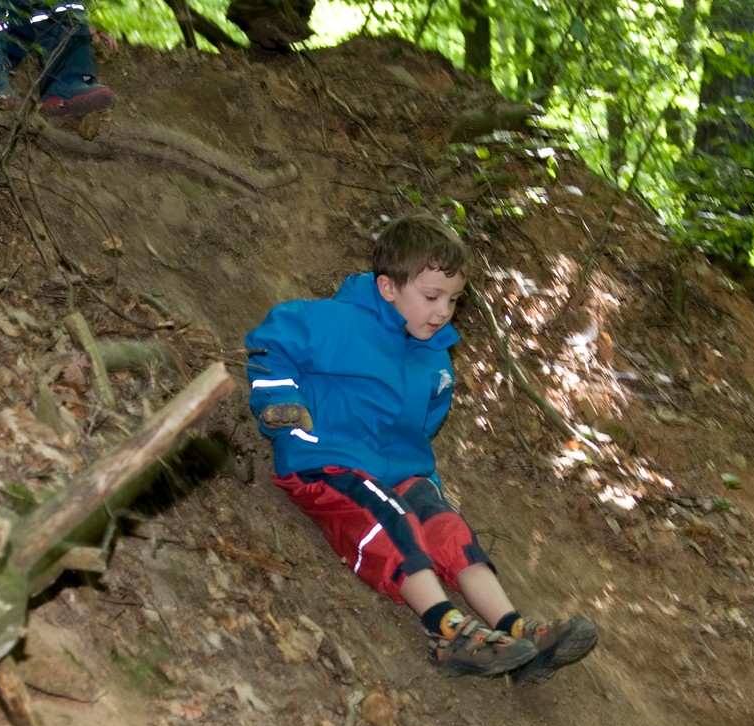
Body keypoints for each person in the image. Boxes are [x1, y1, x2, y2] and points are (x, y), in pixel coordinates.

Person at [245, 213, 598, 683]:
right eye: (431, 297)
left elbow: (424, 423)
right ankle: (447, 629)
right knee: (393, 519)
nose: (442, 311)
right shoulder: (335, 322)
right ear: (388, 288)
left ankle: (515, 630)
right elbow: (270, 343)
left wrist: (418, 470)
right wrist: (281, 400)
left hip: (397, 471)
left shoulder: (434, 357)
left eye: (453, 300)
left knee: (446, 525)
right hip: (328, 464)